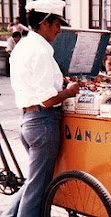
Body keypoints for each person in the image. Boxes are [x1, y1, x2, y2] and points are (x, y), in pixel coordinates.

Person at [1, 0, 79, 217]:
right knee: (37, 190)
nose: (59, 29)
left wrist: (61, 84)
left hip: (29, 121)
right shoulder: (41, 51)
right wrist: (70, 90)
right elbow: (48, 99)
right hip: (43, 122)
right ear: (45, 23)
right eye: (56, 24)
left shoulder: (24, 46)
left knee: (35, 181)